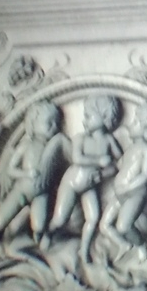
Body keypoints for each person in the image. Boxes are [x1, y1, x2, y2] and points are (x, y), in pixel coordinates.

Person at [48, 95, 122, 262]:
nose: (84, 120)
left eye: (88, 116)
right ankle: (47, 234)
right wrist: (99, 161)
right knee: (60, 219)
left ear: (104, 117)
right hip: (71, 183)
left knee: (93, 218)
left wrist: (103, 173)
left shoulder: (109, 140)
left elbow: (118, 162)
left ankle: (84, 250)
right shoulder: (81, 138)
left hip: (90, 185)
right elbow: (77, 159)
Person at [0, 101, 64, 246]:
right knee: (1, 220)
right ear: (34, 124)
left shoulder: (54, 148)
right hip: (21, 190)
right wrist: (26, 174)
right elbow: (11, 169)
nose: (54, 126)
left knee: (39, 227)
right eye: (48, 122)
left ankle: (39, 241)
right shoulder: (26, 145)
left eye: (56, 123)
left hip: (41, 194)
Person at [100, 103, 147, 262]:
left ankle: (140, 245)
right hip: (120, 193)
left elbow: (145, 175)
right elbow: (121, 166)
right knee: (104, 225)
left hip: (135, 194)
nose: (131, 124)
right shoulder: (132, 147)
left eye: (136, 121)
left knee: (123, 226)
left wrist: (128, 187)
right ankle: (124, 245)